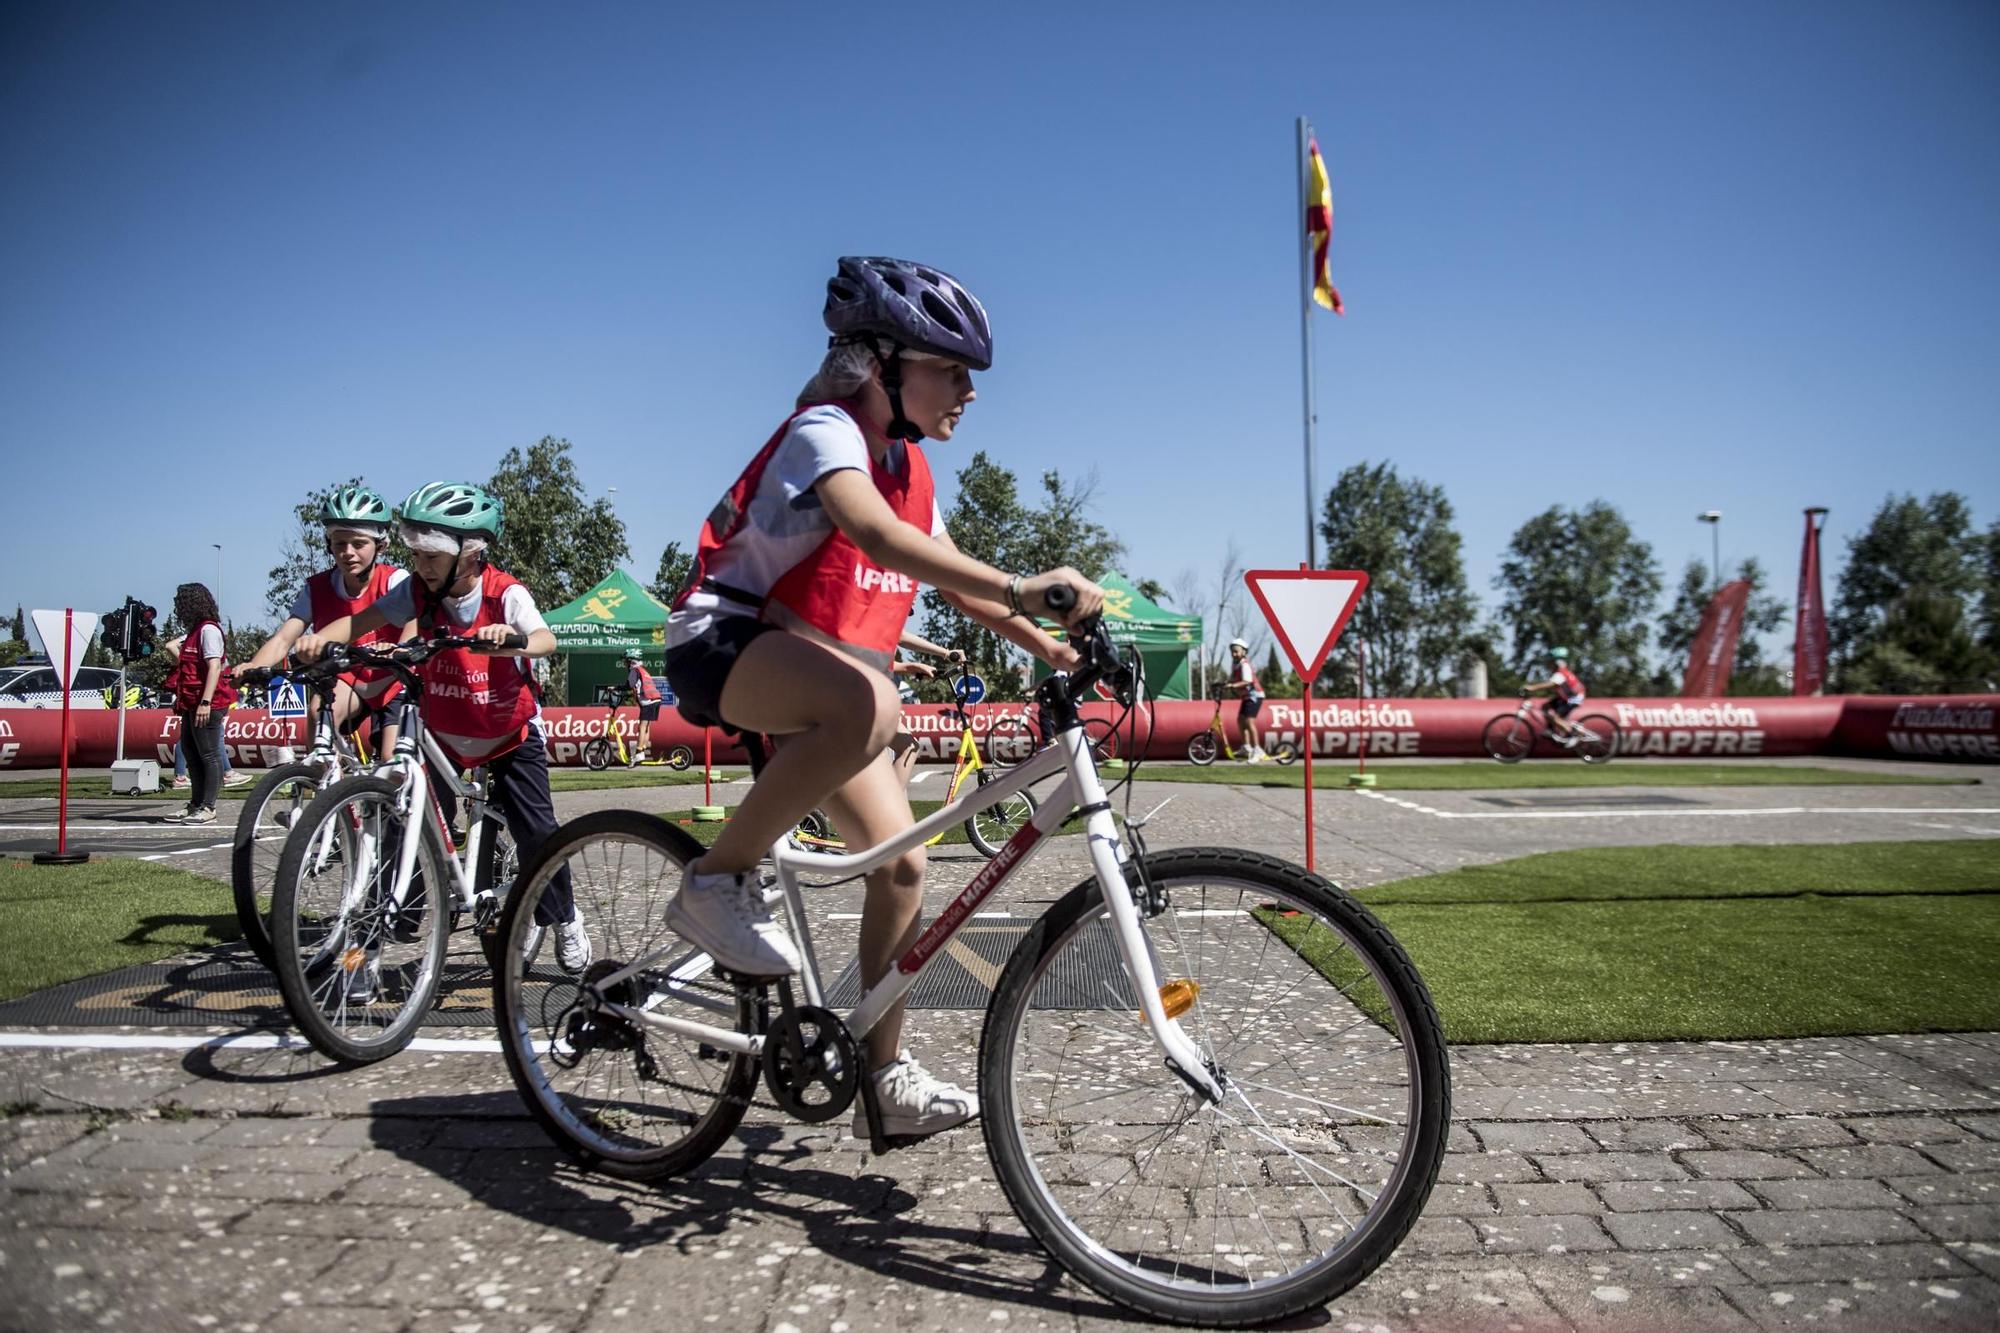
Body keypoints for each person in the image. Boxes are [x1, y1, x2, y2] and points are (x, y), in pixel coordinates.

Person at [663, 255, 1102, 1142]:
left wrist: (1062, 647)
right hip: (722, 640)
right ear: (882, 365)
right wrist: (1025, 584)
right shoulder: (826, 430)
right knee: (872, 703)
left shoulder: (913, 469)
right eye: (953, 370)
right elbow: (874, 533)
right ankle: (715, 881)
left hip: (808, 665)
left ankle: (884, 1074)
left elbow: (965, 592)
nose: (969, 393)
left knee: (903, 862)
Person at [293, 482, 590, 977]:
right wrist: (316, 642)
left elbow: (545, 639)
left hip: (506, 732)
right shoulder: (416, 593)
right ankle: (396, 920)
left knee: (536, 829)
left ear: (470, 553)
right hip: (445, 732)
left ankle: (565, 918)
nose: (421, 563)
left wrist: (511, 640)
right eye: (415, 552)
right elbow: (360, 620)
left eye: (431, 555)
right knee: (401, 808)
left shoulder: (503, 592)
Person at [234, 485, 416, 754]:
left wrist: (400, 648)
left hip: (394, 679)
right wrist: (253, 665)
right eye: (339, 543)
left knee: (392, 761)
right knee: (317, 712)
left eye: (359, 543)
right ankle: (332, 787)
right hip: (348, 678)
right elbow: (284, 638)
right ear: (328, 545)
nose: (348, 552)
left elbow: (413, 622)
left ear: (381, 546)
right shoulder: (316, 589)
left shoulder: (395, 580)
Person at [162, 584, 236, 825]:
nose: (177, 609)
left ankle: (208, 806)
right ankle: (195, 804)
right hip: (191, 702)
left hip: (208, 703)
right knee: (191, 752)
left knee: (209, 754)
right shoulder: (195, 631)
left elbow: (215, 667)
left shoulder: (209, 631)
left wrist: (205, 702)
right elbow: (176, 652)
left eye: (180, 603)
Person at [1521, 646, 1587, 743]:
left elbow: (1550, 684)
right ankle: (1550, 730)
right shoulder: (1561, 672)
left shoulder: (1560, 673)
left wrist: (1532, 688)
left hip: (1573, 698)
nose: (1548, 665)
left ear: (1556, 663)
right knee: (1545, 707)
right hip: (1567, 697)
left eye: (1550, 662)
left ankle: (1572, 735)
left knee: (1555, 718)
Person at [1222, 637, 1267, 762]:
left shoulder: (1244, 665)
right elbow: (1233, 678)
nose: (1234, 654)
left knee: (1249, 722)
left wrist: (1232, 686)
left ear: (1244, 652)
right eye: (1232, 651)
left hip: (1255, 696)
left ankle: (1258, 750)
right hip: (1247, 697)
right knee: (1240, 720)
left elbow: (1247, 681)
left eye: (1236, 651)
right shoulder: (1235, 665)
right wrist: (1225, 683)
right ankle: (1247, 747)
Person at [622, 650, 663, 762]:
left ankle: (639, 753)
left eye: (626, 661)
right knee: (646, 726)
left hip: (648, 701)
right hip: (656, 699)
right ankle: (643, 749)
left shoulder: (634, 670)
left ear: (631, 661)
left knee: (642, 727)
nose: (625, 663)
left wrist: (614, 688)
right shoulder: (643, 670)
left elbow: (629, 685)